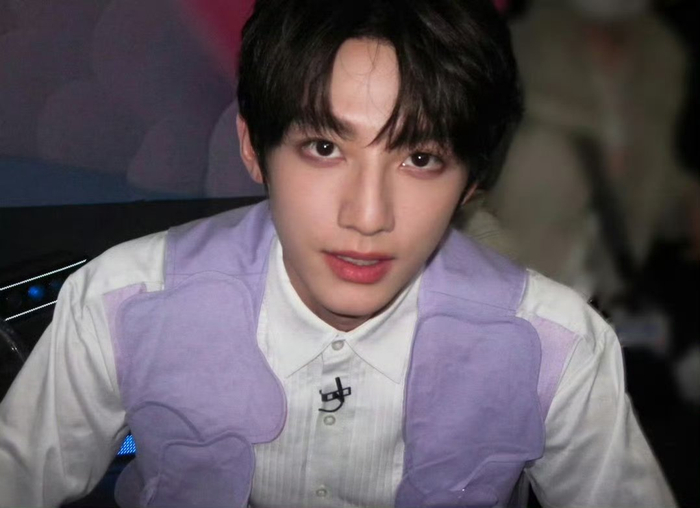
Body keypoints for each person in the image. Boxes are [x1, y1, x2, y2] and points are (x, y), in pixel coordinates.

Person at [0, 0, 676, 507]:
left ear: (472, 181)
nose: (367, 216)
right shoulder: (122, 300)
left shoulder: (557, 345)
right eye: (324, 148)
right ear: (252, 148)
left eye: (420, 158)